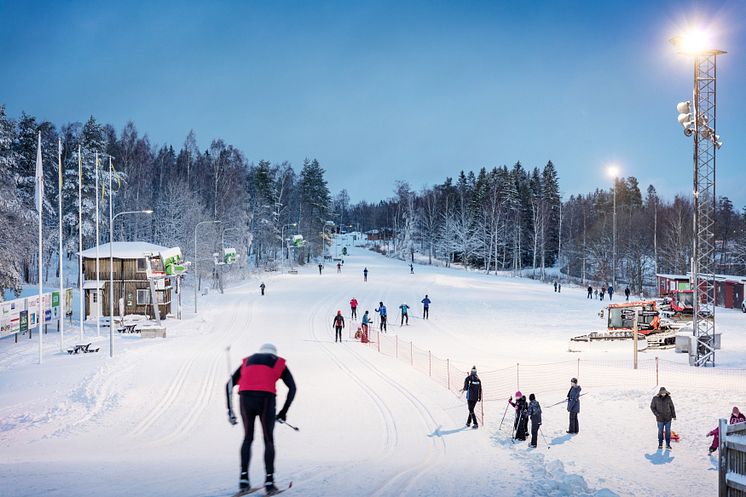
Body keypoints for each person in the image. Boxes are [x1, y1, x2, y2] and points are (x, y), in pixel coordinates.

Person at [226, 343, 296, 494]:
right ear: (274, 353)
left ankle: (243, 480)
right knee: (268, 439)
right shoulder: (278, 361)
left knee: (247, 438)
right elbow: (293, 387)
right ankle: (269, 482)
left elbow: (228, 385)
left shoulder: (248, 360)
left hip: (245, 397)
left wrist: (229, 411)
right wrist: (283, 412)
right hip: (266, 399)